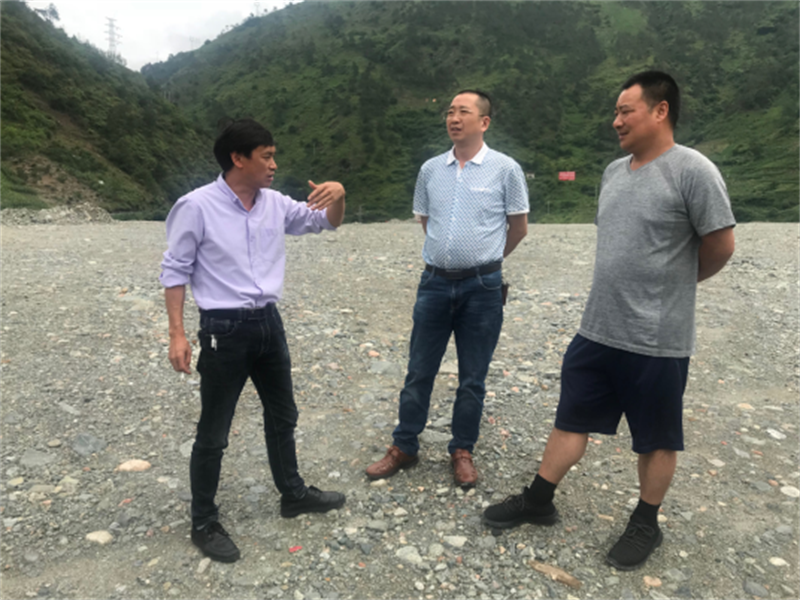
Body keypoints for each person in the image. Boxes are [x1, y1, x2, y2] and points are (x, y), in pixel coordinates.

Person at [482, 71, 736, 570]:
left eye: (625, 111)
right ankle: (538, 499)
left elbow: (721, 245)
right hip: (598, 328)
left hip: (657, 338)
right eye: (616, 112)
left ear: (660, 111)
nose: (615, 121)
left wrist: (677, 286)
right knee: (571, 416)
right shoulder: (614, 172)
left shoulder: (694, 170)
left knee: (657, 436)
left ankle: (646, 522)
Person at [160, 119, 347, 563]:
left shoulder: (275, 203)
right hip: (222, 329)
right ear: (238, 158)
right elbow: (175, 270)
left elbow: (325, 223)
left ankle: (293, 494)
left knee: (283, 414)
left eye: (273, 155)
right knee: (214, 431)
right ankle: (203, 521)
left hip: (269, 323)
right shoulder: (196, 206)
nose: (274, 164)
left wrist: (339, 195)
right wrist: (177, 333)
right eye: (266, 156)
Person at [365, 90, 530, 488]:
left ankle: (462, 450)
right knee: (419, 369)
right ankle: (404, 445)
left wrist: (486, 260)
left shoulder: (506, 169)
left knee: (473, 376)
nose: (454, 118)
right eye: (450, 111)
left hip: (483, 288)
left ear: (484, 122)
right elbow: (427, 221)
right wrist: (449, 254)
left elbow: (518, 227)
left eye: (463, 112)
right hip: (435, 283)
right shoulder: (430, 170)